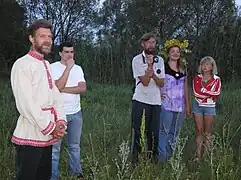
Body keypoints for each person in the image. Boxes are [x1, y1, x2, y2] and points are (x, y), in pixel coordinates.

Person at [10, 19, 67, 180]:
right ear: (31, 38)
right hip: (29, 135)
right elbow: (26, 104)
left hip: (47, 136)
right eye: (42, 36)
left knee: (44, 176)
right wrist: (50, 127)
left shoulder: (47, 65)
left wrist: (61, 120)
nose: (47, 40)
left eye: (49, 36)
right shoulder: (22, 65)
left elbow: (55, 95)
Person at [50, 42, 86, 180]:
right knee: (55, 149)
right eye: (66, 52)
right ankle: (53, 176)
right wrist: (68, 69)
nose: (69, 55)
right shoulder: (53, 68)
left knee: (74, 146)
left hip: (76, 113)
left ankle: (76, 173)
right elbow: (55, 88)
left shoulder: (78, 69)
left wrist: (63, 88)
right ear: (60, 53)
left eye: (71, 52)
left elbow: (82, 88)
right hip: (58, 114)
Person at [131, 32, 165, 164]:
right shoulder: (137, 60)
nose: (151, 45)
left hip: (156, 101)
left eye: (153, 42)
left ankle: (152, 161)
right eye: (148, 42)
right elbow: (144, 82)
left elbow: (161, 83)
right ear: (143, 44)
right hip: (140, 100)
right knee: (139, 131)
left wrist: (154, 74)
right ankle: (136, 161)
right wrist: (149, 67)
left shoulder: (160, 60)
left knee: (153, 133)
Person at [158, 40, 191, 162]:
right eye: (173, 51)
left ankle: (171, 157)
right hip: (166, 105)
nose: (175, 54)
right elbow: (156, 82)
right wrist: (158, 94)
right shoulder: (162, 67)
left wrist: (187, 105)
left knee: (175, 132)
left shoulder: (183, 69)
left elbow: (185, 88)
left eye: (178, 52)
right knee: (164, 131)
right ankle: (162, 158)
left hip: (180, 106)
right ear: (168, 53)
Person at [192, 56, 221, 161]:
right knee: (199, 131)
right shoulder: (197, 78)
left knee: (208, 132)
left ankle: (207, 156)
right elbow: (196, 92)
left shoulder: (216, 79)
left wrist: (203, 91)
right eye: (203, 64)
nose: (205, 66)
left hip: (210, 107)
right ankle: (198, 156)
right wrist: (209, 94)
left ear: (212, 66)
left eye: (208, 64)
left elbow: (217, 93)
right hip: (197, 106)